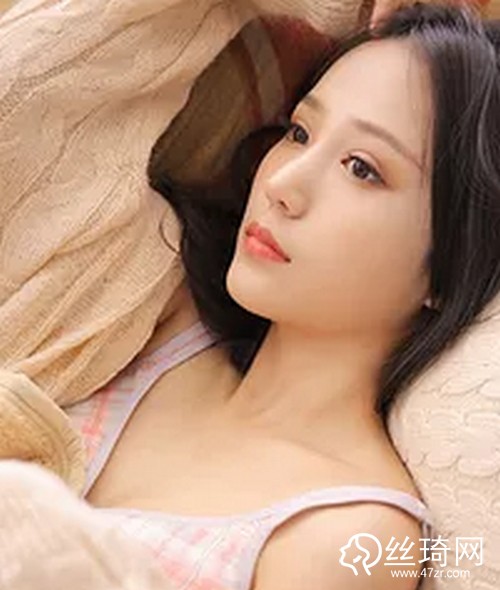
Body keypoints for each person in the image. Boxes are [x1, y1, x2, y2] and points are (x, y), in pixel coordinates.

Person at [59, 3, 500, 590]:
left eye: (361, 168)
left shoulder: (348, 537)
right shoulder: (154, 314)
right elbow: (42, 85)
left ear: (451, 263)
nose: (281, 184)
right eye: (299, 132)